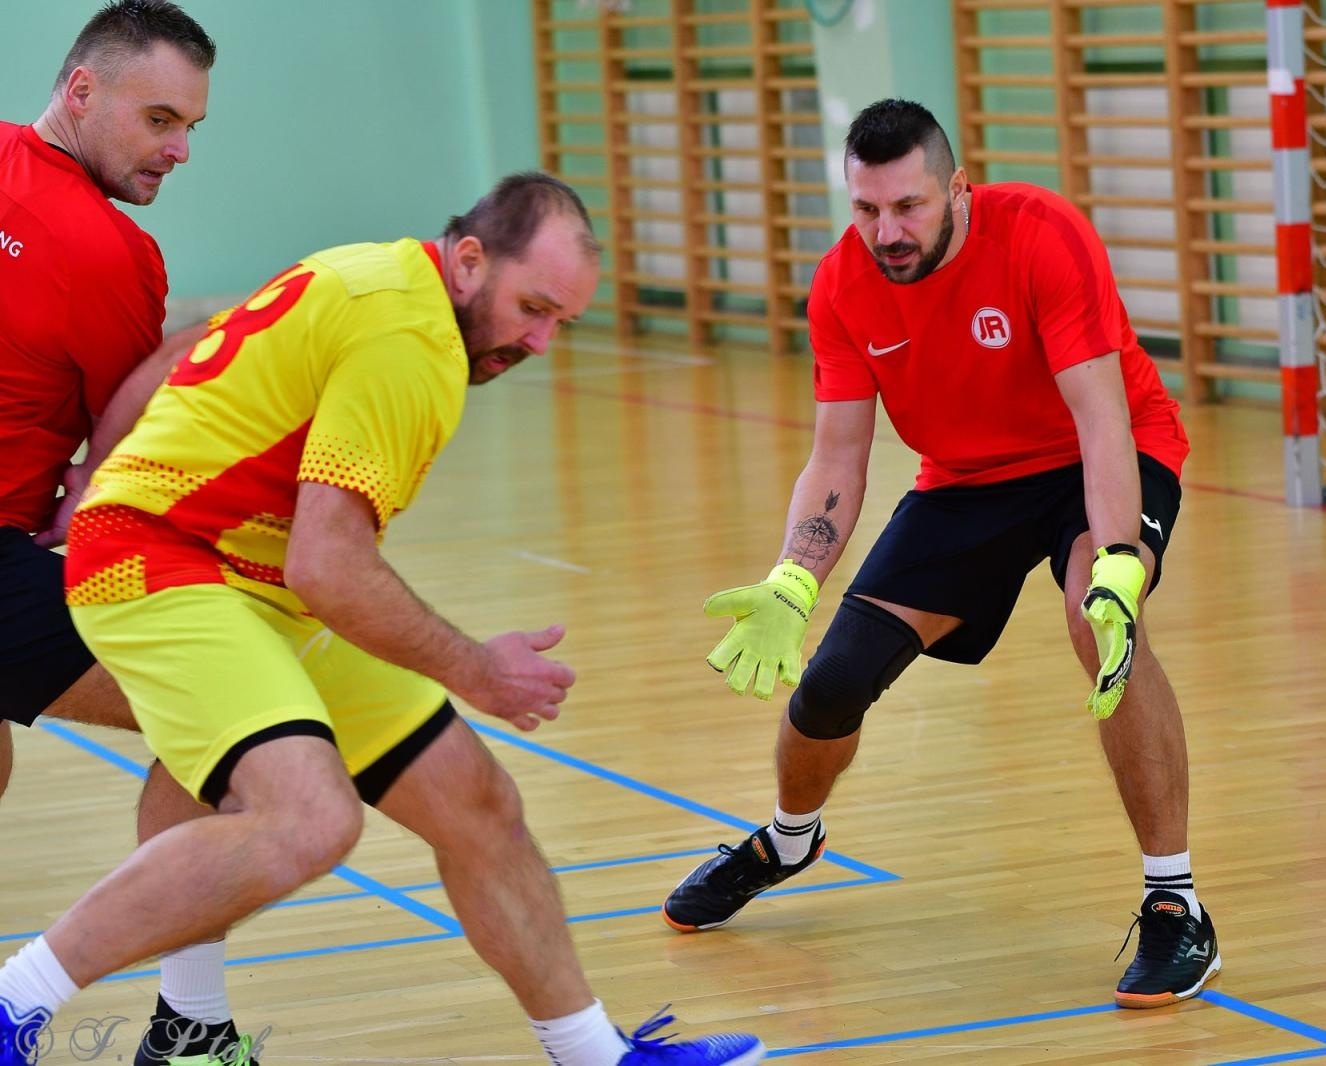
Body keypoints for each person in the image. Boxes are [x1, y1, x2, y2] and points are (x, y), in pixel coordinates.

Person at [0, 171, 765, 1066]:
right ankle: (17, 1004)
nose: (542, 341)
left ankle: (594, 1056)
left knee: (474, 800)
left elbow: (190, 348)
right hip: (160, 558)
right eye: (534, 308)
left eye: (563, 321)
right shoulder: (413, 339)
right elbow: (328, 564)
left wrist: (100, 465)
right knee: (309, 818)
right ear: (471, 260)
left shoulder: (382, 272)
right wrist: (476, 667)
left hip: (249, 577)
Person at [661, 98, 1221, 1010]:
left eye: (909, 207)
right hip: (963, 480)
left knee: (1101, 626)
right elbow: (839, 455)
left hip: (1098, 452)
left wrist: (1119, 559)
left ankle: (1175, 904)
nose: (887, 231)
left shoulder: (1042, 234)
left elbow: (1101, 415)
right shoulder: (843, 285)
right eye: (866, 209)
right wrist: (793, 577)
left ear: (958, 187)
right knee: (832, 682)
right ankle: (789, 838)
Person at [0, 3, 258, 1060]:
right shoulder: (111, 253)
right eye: (159, 119)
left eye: (191, 124)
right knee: (234, 719)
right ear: (81, 90)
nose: (180, 149)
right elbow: (138, 464)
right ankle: (191, 1026)